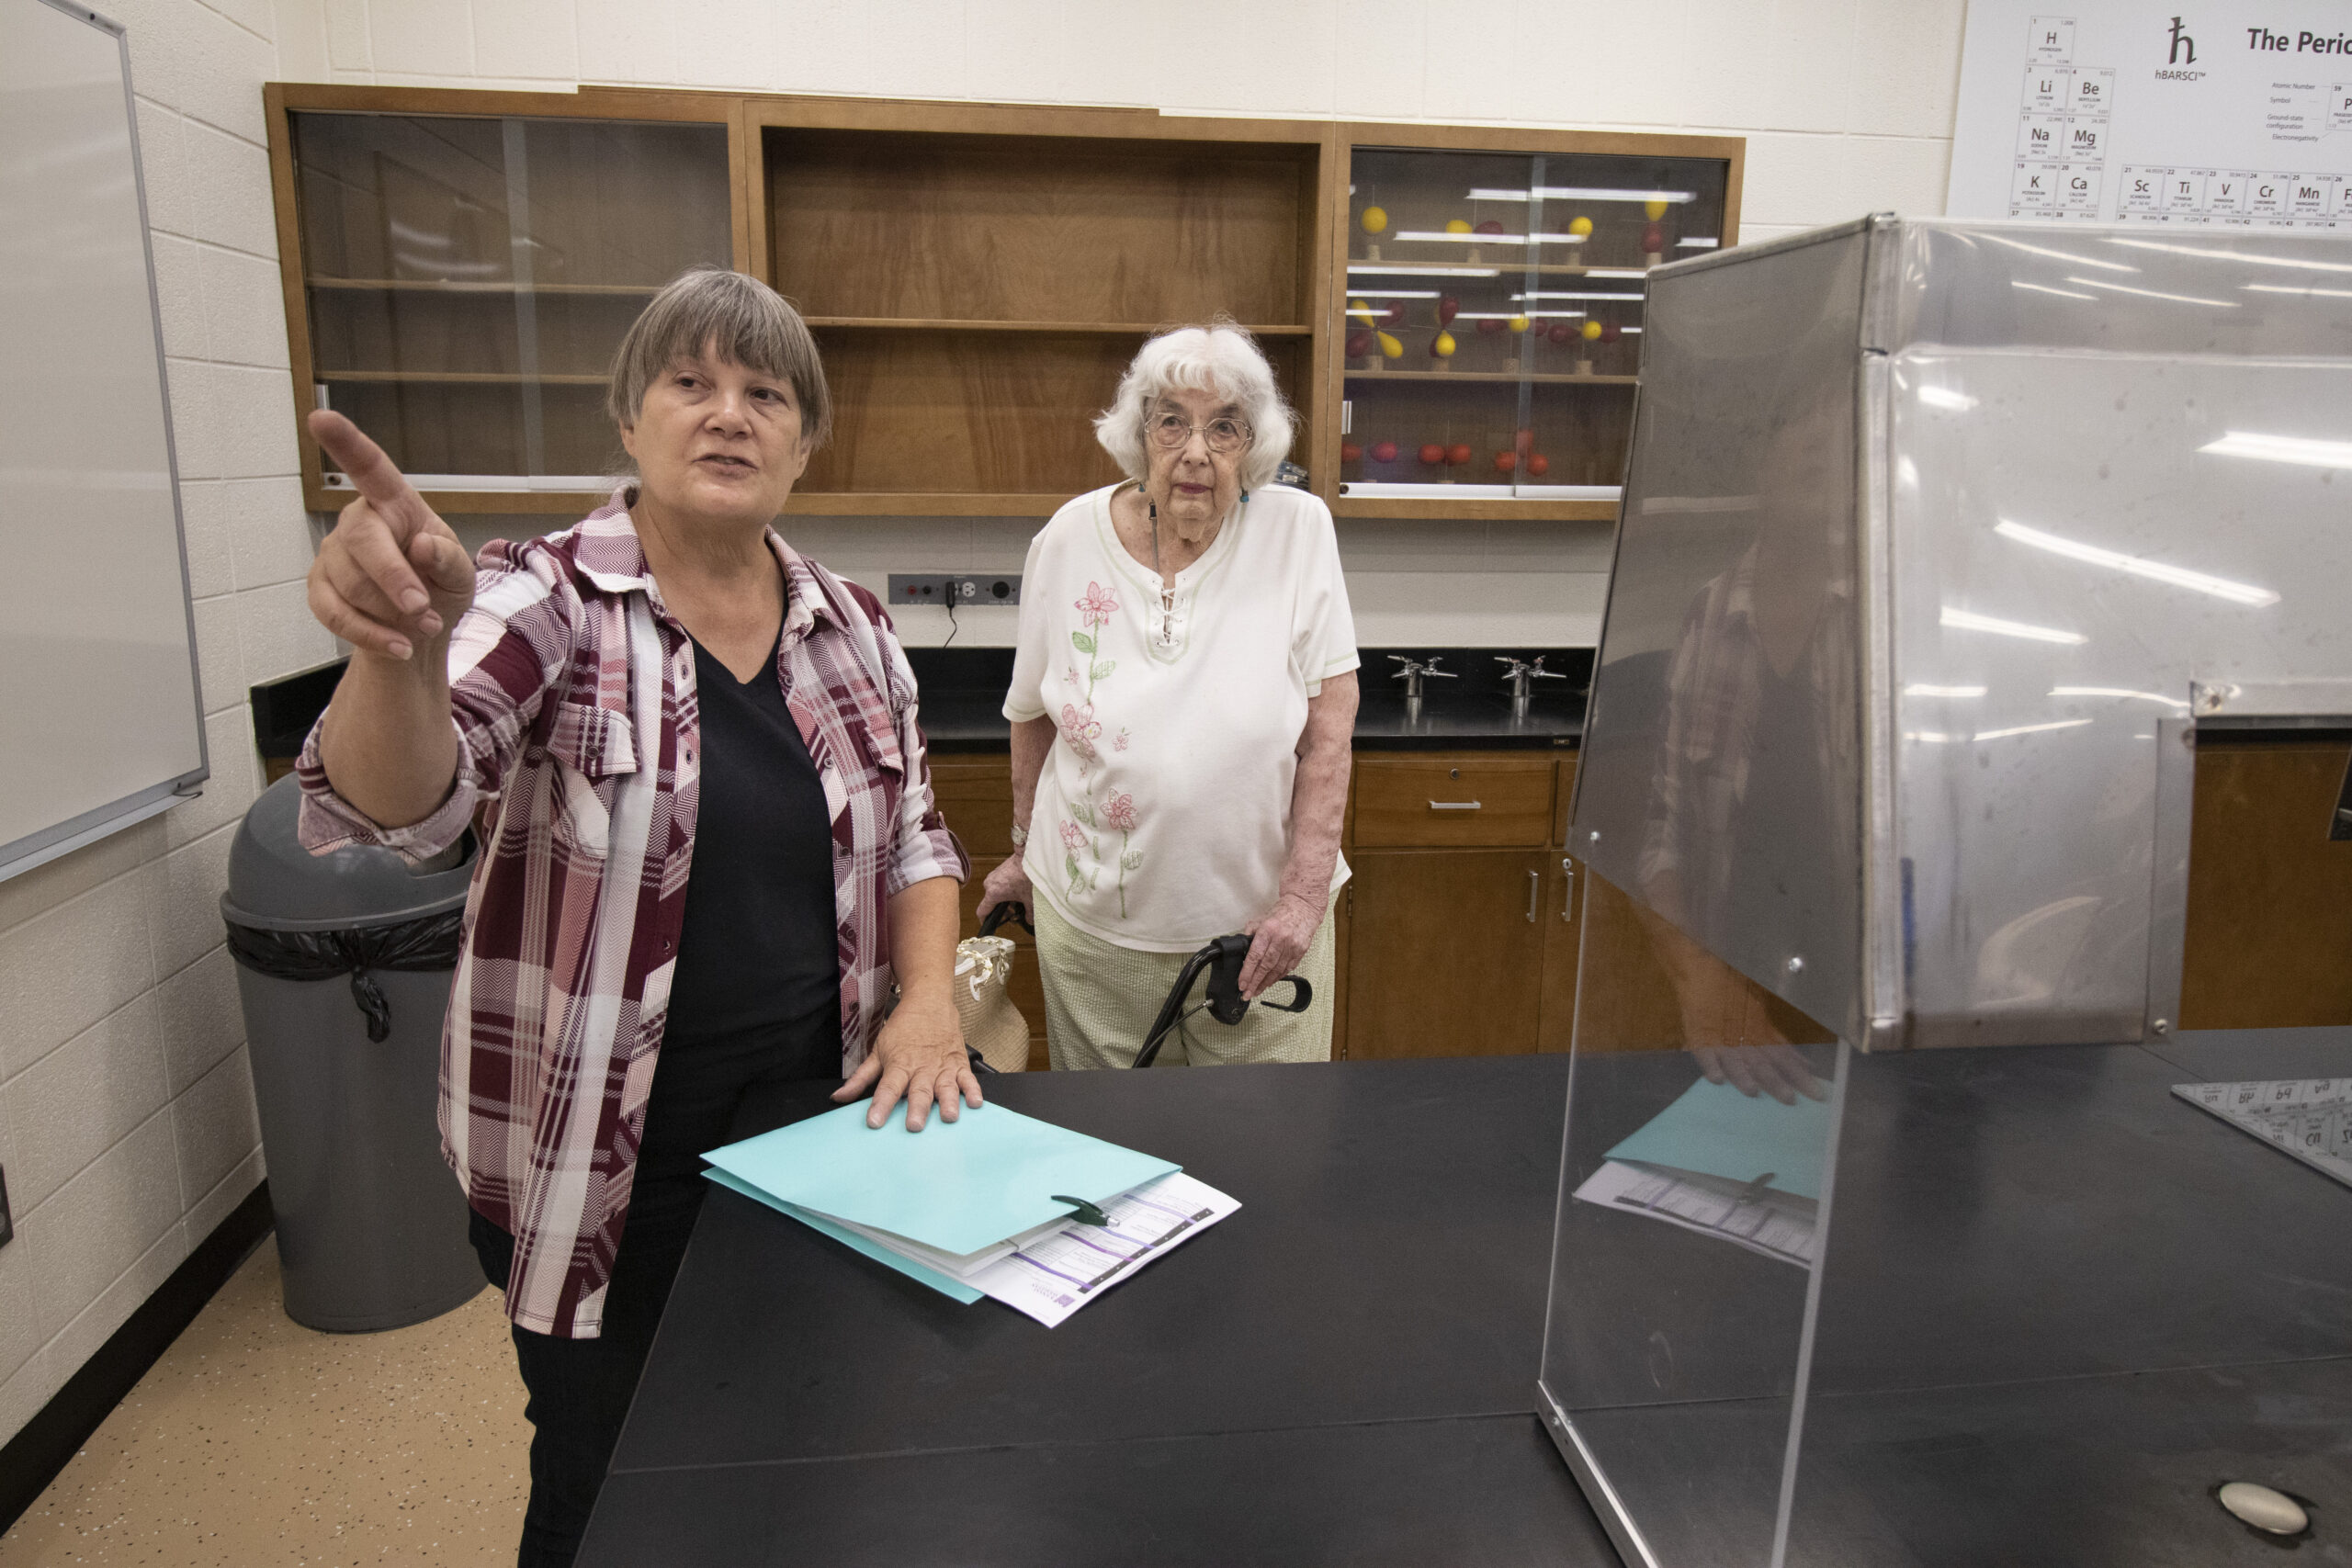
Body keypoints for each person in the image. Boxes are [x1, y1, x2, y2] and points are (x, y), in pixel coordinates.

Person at [293, 266, 976, 1566]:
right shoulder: (539, 601)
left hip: (813, 1146)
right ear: (630, 417)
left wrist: (930, 994)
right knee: (608, 1485)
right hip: (598, 1166)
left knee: (799, 1446)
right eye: (691, 382)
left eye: (765, 392)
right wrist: (400, 654)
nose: (729, 414)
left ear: (804, 439)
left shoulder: (857, 628)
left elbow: (922, 841)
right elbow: (397, 809)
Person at [977, 322, 1358, 1068]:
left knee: (1267, 1156)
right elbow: (1032, 718)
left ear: (1253, 445)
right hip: (1093, 941)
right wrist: (1025, 851)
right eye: (1172, 421)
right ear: (1138, 433)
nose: (1195, 452)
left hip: (1263, 941)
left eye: (1225, 428)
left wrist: (1304, 901)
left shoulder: (1297, 530)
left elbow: (1329, 731)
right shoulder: (1066, 539)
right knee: (1112, 1159)